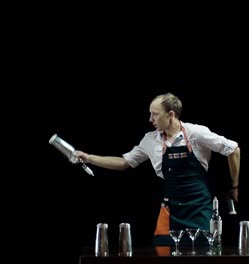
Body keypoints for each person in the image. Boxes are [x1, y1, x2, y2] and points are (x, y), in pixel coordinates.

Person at [74, 92, 240, 246]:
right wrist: (89, 158)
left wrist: (234, 186)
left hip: (200, 208)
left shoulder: (196, 133)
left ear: (171, 114)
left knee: (203, 252)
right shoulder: (150, 139)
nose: (150, 119)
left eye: (155, 114)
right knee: (162, 254)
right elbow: (124, 162)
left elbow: (233, 149)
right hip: (170, 210)